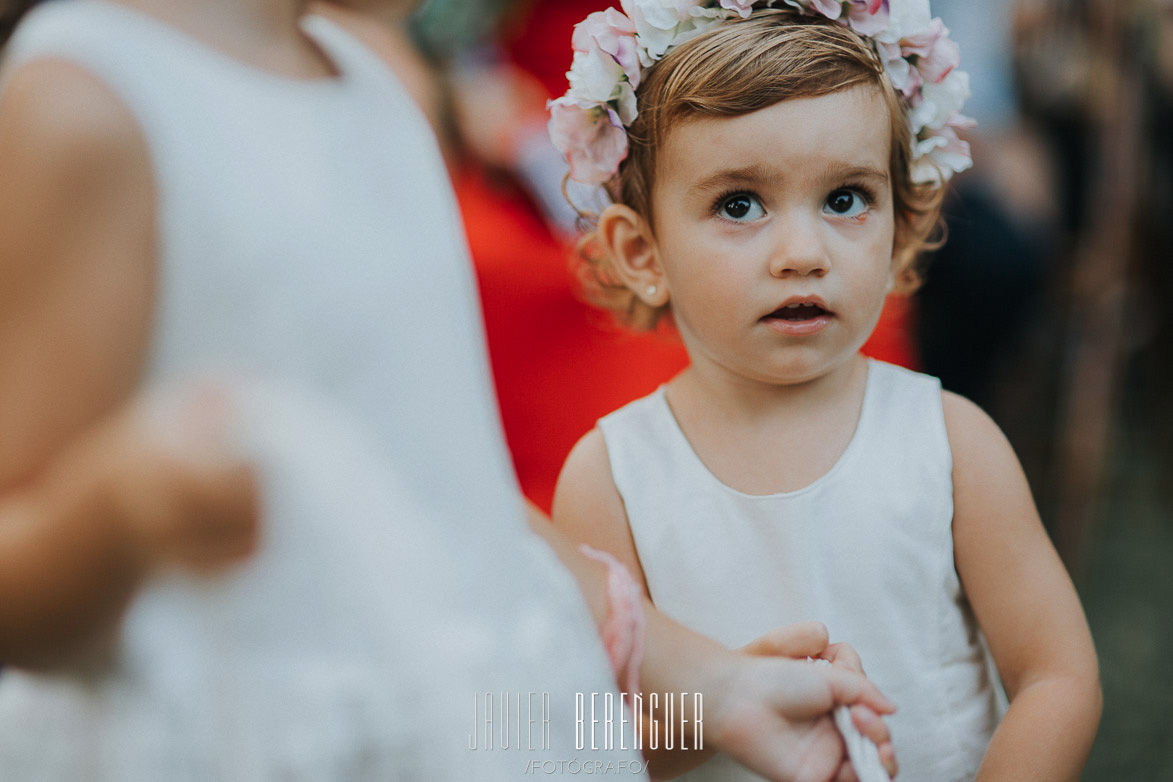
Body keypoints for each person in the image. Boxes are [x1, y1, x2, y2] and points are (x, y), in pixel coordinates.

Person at [0, 0, 898, 779]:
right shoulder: (85, 105)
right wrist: (116, 513)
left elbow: (460, 525)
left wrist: (714, 689)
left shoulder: (372, 87)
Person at [548, 2, 1102, 781]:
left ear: (902, 230)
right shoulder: (611, 479)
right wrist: (717, 702)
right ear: (641, 251)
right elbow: (583, 731)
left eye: (845, 199)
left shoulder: (951, 442)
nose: (802, 254)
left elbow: (1056, 676)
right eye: (738, 204)